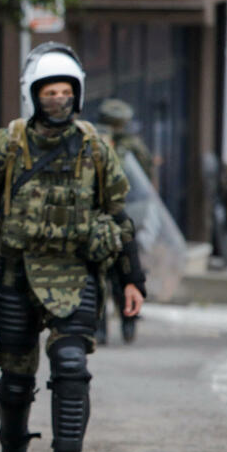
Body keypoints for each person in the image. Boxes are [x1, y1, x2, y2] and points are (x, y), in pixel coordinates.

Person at [0, 43, 146, 452]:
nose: (57, 100)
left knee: (71, 368)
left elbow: (119, 216)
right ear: (33, 95)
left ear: (77, 95)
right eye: (49, 92)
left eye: (66, 91)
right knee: (16, 378)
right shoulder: (10, 143)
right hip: (15, 276)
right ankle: (14, 447)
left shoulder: (95, 147)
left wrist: (131, 279)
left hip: (76, 273)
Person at [96, 98, 154, 344]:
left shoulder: (132, 148)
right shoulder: (94, 141)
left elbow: (144, 182)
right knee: (104, 274)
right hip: (105, 217)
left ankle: (127, 320)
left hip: (125, 214)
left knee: (121, 272)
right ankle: (104, 327)